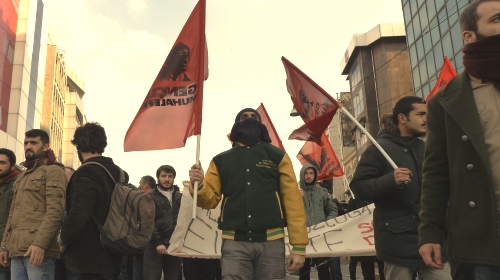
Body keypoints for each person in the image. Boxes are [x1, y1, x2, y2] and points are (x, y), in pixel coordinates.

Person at [418, 0, 500, 278]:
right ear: (470, 35)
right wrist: (429, 232)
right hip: (482, 237)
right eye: (498, 19)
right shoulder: (444, 101)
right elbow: (435, 173)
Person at [189, 108, 308, 280]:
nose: (249, 119)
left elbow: (293, 202)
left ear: (261, 125)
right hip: (234, 242)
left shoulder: (278, 156)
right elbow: (209, 200)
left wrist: (298, 247)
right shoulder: (220, 160)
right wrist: (199, 184)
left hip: (271, 242)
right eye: (243, 117)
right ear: (235, 126)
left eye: (254, 117)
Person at [350, 97, 451, 280]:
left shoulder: (428, 148)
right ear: (402, 118)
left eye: (427, 114)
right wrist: (390, 181)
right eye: (420, 114)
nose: (426, 119)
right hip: (397, 240)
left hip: (433, 237)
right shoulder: (379, 150)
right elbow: (358, 187)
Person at [59, 122, 129, 280]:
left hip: (89, 257)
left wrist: (63, 239)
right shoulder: (120, 172)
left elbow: (79, 214)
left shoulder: (86, 172)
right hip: (115, 249)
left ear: (78, 145)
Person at [0, 129, 67, 279]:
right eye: (26, 143)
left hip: (38, 252)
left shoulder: (54, 171)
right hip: (16, 251)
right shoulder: (23, 175)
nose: (28, 146)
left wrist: (40, 244)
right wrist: (4, 246)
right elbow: (12, 214)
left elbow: (55, 212)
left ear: (45, 146)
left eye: (33, 143)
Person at [298, 164, 337, 280]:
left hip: (320, 237)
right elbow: (289, 212)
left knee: (324, 270)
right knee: (304, 272)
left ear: (315, 175)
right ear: (302, 175)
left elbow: (332, 209)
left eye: (311, 173)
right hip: (302, 238)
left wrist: (327, 223)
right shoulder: (295, 193)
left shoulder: (322, 192)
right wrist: (296, 198)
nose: (308, 176)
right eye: (306, 173)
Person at [143, 165, 182, 280]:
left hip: (174, 245)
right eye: (164, 176)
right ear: (158, 178)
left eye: (170, 176)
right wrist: (157, 242)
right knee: (151, 277)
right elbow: (148, 220)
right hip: (154, 245)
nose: (167, 179)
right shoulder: (149, 196)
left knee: (173, 277)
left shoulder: (179, 196)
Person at [0, 149, 20, 280]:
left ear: (12, 166)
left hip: (7, 252)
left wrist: (5, 247)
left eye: (2, 163)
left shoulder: (19, 184)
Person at [131, 175, 156, 280]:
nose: (138, 185)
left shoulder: (144, 199)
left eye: (140, 183)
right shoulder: (156, 197)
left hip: (142, 242)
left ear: (145, 185)